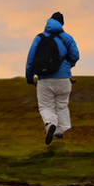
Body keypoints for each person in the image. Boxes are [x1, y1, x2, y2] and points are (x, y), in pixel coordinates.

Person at [26, 12, 80, 144]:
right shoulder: (67, 37)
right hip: (64, 79)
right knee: (61, 105)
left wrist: (29, 77)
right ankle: (60, 131)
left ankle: (50, 124)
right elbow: (75, 56)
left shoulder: (39, 38)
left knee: (46, 106)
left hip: (44, 79)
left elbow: (30, 60)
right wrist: (68, 66)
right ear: (62, 23)